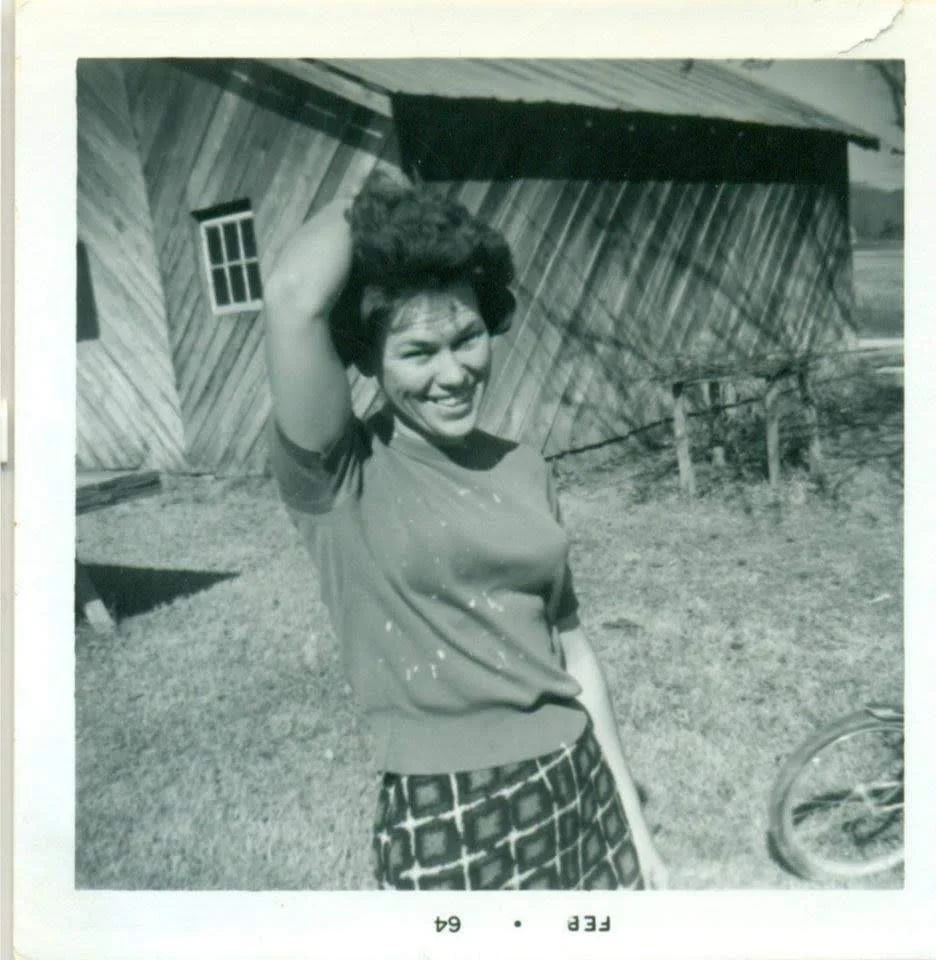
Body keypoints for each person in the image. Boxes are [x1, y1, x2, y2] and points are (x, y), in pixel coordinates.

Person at [264, 173, 668, 891]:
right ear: (367, 359)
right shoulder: (343, 474)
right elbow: (294, 296)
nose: (453, 373)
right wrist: (375, 192)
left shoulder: (525, 467)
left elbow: (572, 651)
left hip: (578, 784)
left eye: (468, 338)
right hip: (448, 812)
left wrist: (633, 824)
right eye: (418, 352)